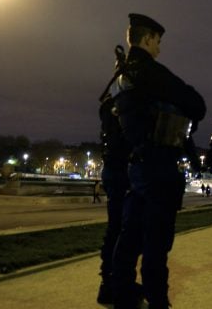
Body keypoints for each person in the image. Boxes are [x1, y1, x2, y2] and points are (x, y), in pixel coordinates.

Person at [111, 13, 206, 309]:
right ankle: (158, 301)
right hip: (160, 165)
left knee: (130, 237)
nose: (160, 48)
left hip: (136, 164)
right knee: (157, 243)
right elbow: (197, 104)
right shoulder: (151, 72)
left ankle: (123, 294)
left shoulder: (122, 75)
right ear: (148, 39)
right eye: (158, 41)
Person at [95, 45, 134, 304]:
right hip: (124, 171)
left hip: (113, 169)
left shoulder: (109, 104)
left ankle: (109, 282)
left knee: (115, 229)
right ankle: (118, 285)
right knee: (125, 231)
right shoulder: (125, 103)